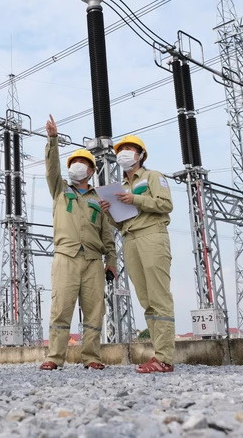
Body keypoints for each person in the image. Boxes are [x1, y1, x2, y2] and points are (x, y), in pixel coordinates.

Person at [40, 114, 117, 371]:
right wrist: (52, 140)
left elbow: (108, 235)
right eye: (74, 163)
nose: (77, 167)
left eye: (83, 164)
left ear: (92, 171)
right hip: (66, 257)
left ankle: (91, 357)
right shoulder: (60, 190)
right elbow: (52, 169)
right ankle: (54, 356)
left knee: (95, 311)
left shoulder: (99, 199)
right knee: (61, 307)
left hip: (93, 260)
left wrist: (112, 262)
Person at [102, 134, 175, 373]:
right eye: (120, 150)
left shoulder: (153, 177)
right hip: (130, 239)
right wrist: (109, 212)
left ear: (141, 155)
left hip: (152, 236)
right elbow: (121, 224)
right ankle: (159, 354)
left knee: (158, 297)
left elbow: (165, 205)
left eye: (130, 149)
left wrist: (136, 199)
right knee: (146, 301)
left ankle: (164, 358)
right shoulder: (119, 187)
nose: (124, 153)